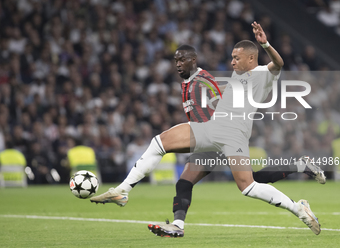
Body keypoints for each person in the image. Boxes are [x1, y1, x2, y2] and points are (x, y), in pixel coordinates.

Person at [91, 22, 323, 236]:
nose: (232, 62)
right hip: (223, 133)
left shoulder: (263, 74)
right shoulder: (236, 75)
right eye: (232, 57)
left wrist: (265, 44)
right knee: (212, 182)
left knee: (162, 144)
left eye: (237, 58)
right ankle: (177, 225)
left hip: (225, 131)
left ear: (252, 58)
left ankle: (123, 190)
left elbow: (279, 63)